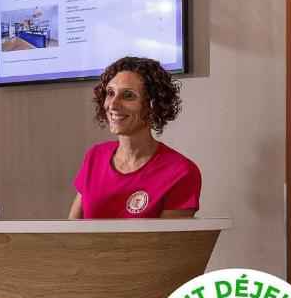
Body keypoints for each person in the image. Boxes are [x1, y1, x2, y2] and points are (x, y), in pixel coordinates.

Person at [69, 56, 200, 219]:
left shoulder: (180, 172)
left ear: (153, 105)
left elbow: (169, 244)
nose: (113, 104)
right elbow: (71, 233)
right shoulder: (95, 156)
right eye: (110, 93)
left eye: (128, 95)